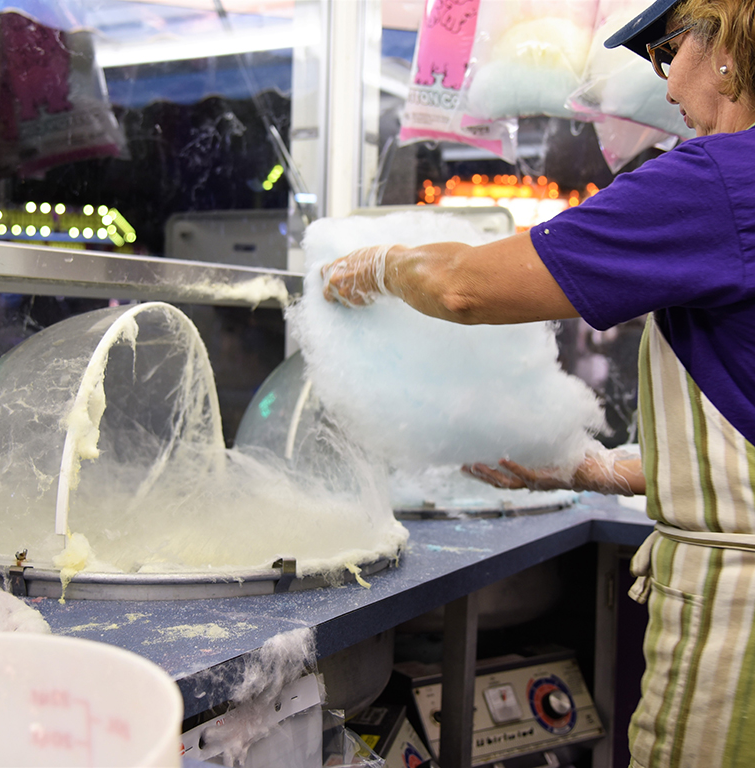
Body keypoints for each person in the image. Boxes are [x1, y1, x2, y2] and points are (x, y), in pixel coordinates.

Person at [322, 0, 755, 766]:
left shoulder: (720, 181)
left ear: (721, 44)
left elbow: (466, 287)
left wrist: (384, 264)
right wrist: (606, 470)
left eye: (665, 50)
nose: (664, 81)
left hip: (739, 613)